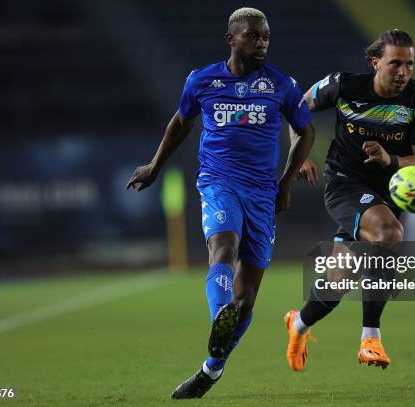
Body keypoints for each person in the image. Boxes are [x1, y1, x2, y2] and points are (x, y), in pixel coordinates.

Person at [126, 7, 314, 399]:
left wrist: (286, 184)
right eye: (253, 35)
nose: (261, 42)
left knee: (247, 298)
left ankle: (212, 369)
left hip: (262, 192)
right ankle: (219, 319)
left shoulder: (281, 84)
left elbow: (306, 131)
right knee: (222, 248)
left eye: (265, 36)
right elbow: (181, 123)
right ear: (231, 39)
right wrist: (155, 166)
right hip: (218, 182)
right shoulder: (202, 80)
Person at [283, 29, 415, 371]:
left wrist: (390, 160)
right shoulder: (344, 86)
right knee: (389, 233)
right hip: (344, 184)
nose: (403, 72)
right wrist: (299, 155)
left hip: (386, 193)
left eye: (409, 64)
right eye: (395, 63)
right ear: (375, 61)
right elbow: (297, 108)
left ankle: (298, 324)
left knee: (338, 281)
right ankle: (371, 338)